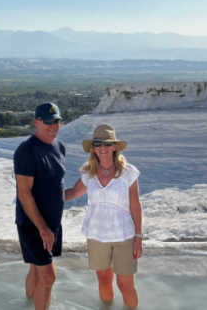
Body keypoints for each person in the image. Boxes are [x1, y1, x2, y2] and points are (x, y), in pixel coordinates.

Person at [65, 124, 143, 308]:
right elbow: (72, 193)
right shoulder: (88, 172)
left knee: (126, 285)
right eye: (98, 143)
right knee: (104, 280)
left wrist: (138, 237)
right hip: (97, 235)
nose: (102, 147)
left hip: (125, 236)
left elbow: (135, 206)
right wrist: (45, 193)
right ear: (93, 148)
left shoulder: (128, 172)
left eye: (107, 144)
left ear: (115, 146)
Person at [14, 102, 65, 310]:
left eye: (56, 121)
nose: (53, 126)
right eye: (48, 122)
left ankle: (28, 304)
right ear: (37, 122)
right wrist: (42, 228)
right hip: (34, 224)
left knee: (37, 268)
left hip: (52, 223)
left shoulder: (59, 146)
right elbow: (24, 193)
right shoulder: (27, 151)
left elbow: (55, 185)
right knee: (49, 276)